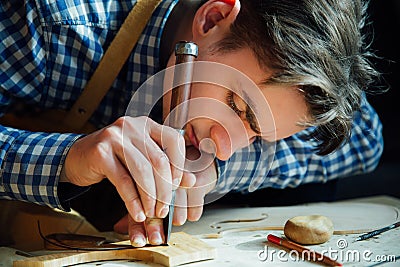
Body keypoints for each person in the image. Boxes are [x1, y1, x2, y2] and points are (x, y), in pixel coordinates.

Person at [0, 0, 383, 248]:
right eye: (237, 106)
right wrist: (65, 159)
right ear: (213, 17)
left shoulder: (236, 140)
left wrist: (220, 171)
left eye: (258, 137)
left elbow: (367, 138)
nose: (226, 145)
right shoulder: (55, 25)